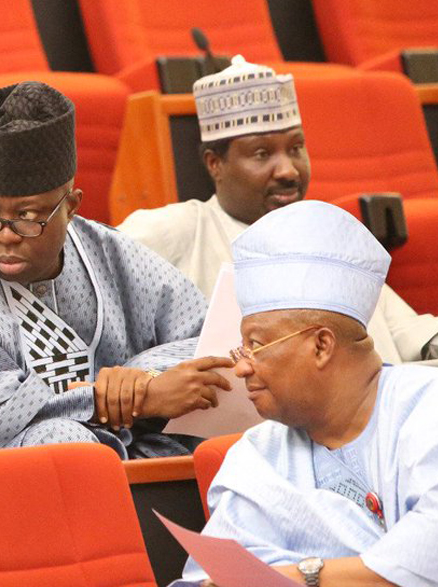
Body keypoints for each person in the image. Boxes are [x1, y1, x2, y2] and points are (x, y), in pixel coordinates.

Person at [0, 81, 231, 458]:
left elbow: (210, 341)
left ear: (71, 207)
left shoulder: (111, 253)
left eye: (27, 215)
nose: (5, 234)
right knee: (64, 444)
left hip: (119, 448)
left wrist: (142, 378)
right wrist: (119, 400)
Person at [175, 201, 438, 587]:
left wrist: (304, 575)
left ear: (321, 346)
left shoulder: (426, 409)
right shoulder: (257, 457)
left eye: (255, 345)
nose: (241, 368)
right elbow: (216, 579)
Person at [118, 55, 438, 365]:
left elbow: (408, 332)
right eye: (262, 154)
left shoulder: (328, 234)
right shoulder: (177, 230)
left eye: (296, 148)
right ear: (215, 164)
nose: (288, 170)